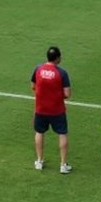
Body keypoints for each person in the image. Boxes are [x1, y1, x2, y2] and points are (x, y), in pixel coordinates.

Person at [32, 45, 72, 174]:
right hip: (57, 110)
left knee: (39, 132)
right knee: (62, 134)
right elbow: (67, 94)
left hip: (41, 108)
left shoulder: (38, 69)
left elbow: (33, 86)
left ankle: (39, 161)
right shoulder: (62, 73)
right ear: (58, 58)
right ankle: (63, 165)